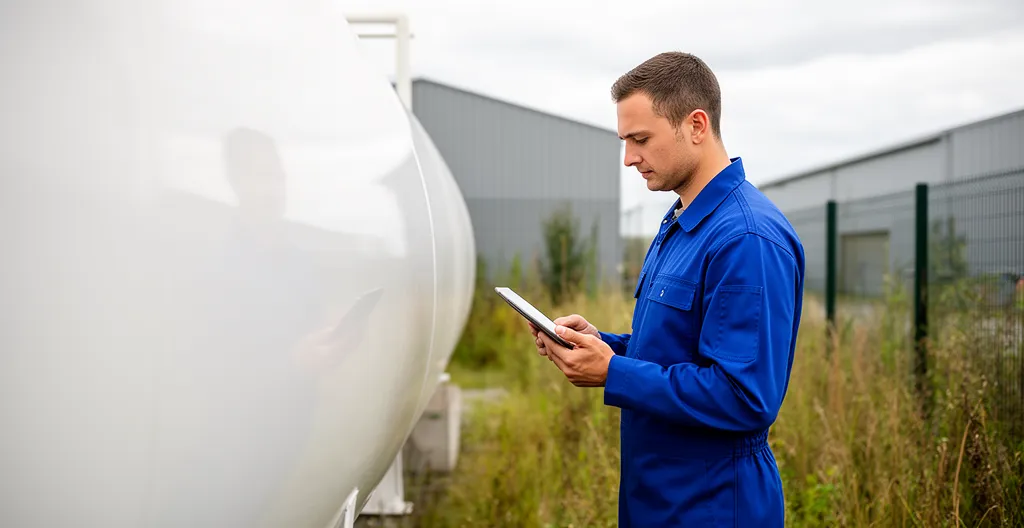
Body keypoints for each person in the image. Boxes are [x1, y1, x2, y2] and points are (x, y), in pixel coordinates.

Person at [530, 51, 805, 527]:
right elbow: (678, 349)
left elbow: (744, 395)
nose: (629, 158)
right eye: (625, 141)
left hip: (713, 505)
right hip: (661, 499)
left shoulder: (746, 238)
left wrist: (613, 372)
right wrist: (602, 345)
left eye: (641, 139)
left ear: (696, 125)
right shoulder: (681, 222)